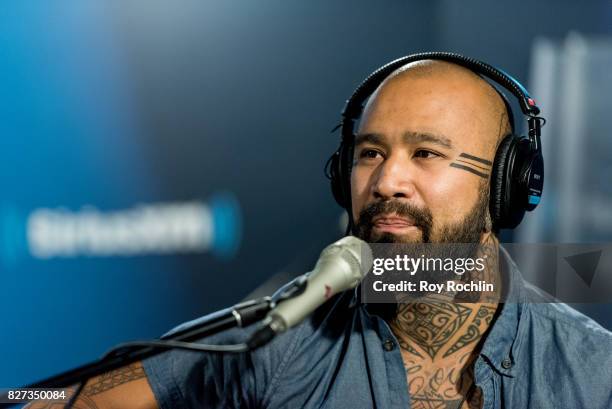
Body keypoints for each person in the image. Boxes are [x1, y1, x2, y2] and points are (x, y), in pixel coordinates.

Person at [29, 57, 612, 409]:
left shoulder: (594, 371)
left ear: (509, 186)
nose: (387, 180)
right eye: (370, 153)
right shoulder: (280, 336)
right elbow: (59, 399)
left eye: (426, 153)